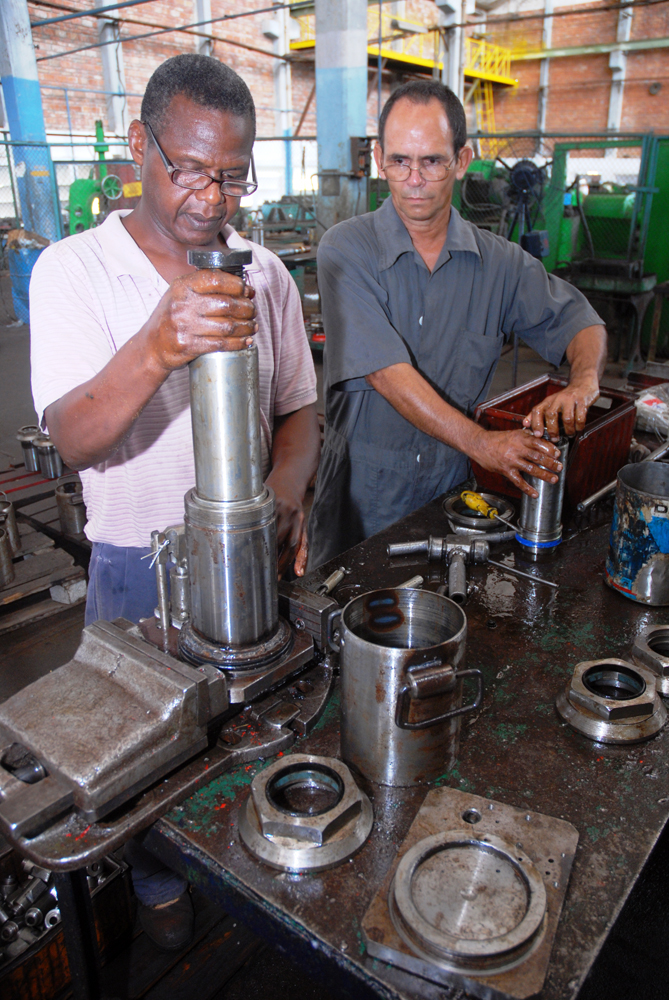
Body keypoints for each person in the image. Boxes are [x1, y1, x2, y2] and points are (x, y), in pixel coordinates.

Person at [30, 54, 320, 948]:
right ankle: (157, 872)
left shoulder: (262, 273)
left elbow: (300, 407)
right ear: (136, 146)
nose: (210, 196)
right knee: (143, 770)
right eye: (187, 168)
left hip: (250, 555)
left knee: (254, 730)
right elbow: (75, 437)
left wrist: (281, 497)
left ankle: (257, 859)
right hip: (134, 570)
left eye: (232, 174)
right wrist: (159, 343)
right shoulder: (72, 271)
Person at [307, 80, 607, 569]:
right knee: (345, 631)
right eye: (400, 161)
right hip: (357, 504)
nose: (415, 179)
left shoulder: (501, 264)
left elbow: (580, 321)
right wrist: (484, 445)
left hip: (448, 505)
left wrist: (584, 380)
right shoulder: (346, 249)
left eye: (432, 161)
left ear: (462, 160)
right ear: (380, 158)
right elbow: (385, 372)